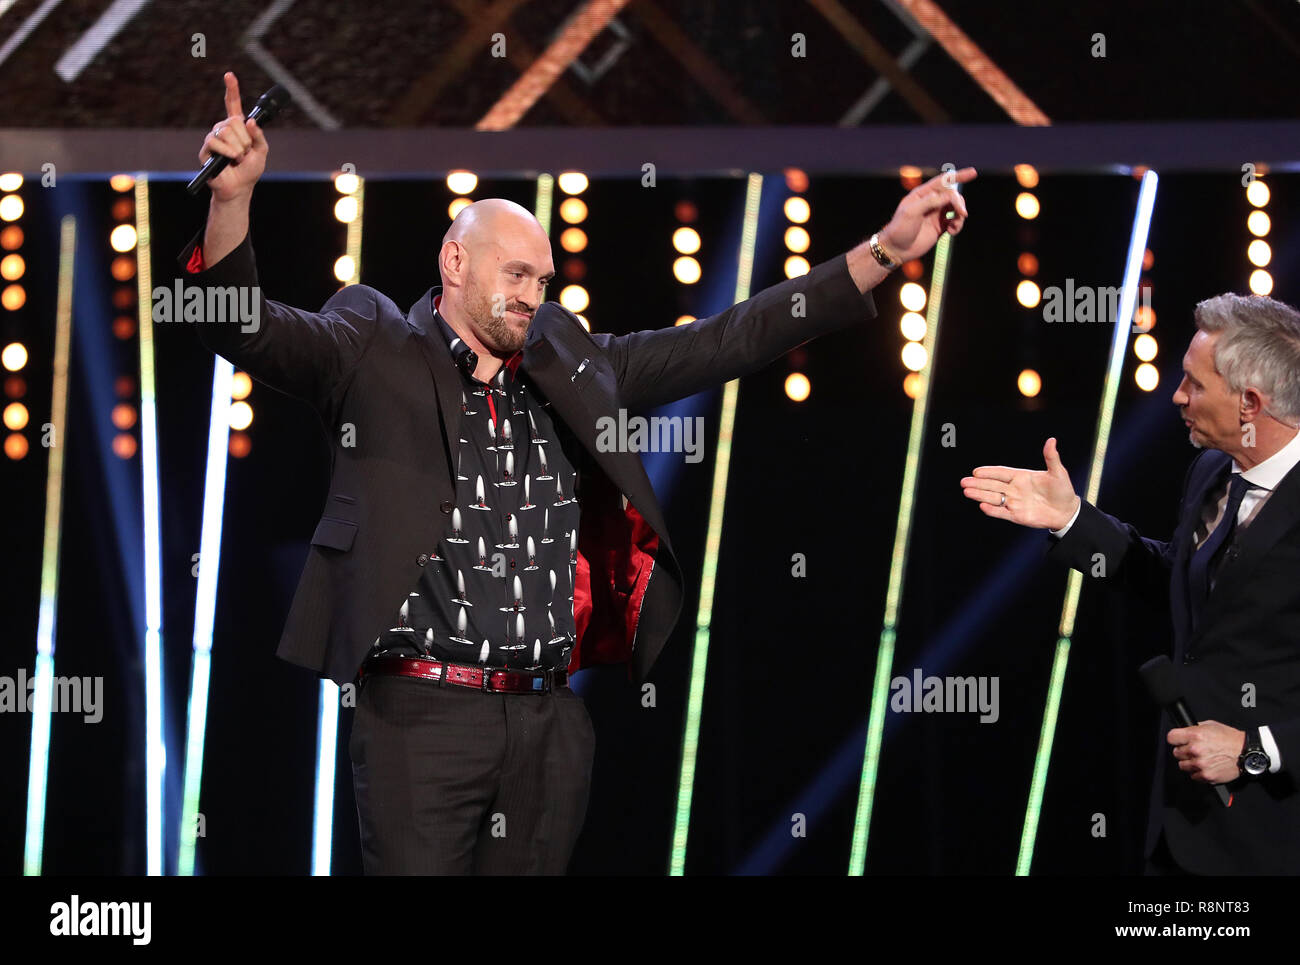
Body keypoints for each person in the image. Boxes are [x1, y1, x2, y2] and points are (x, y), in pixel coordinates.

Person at [183, 71, 974, 874]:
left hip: (549, 724)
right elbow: (242, 328)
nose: (532, 295)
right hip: (421, 716)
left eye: (543, 281)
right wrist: (231, 200)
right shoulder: (371, 340)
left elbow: (728, 339)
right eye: (516, 275)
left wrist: (883, 252)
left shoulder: (570, 359)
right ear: (454, 261)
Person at [960, 292, 1300, 874]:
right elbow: (1182, 584)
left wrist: (1254, 750)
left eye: (1193, 384)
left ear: (1250, 402)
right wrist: (1071, 520)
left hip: (1277, 834)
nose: (1177, 397)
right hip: (1183, 828)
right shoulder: (1213, 470)